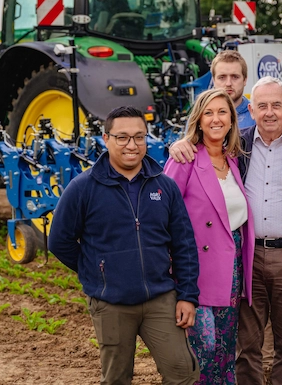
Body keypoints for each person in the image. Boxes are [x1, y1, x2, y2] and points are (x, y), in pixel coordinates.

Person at [171, 76, 282, 384]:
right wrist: (182, 142)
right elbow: (201, 152)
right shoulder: (238, 145)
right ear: (250, 110)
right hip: (245, 258)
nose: (269, 112)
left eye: (276, 105)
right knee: (246, 344)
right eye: (262, 106)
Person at [48, 106, 200, 385]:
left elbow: (184, 244)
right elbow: (59, 241)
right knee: (116, 378)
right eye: (123, 137)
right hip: (111, 302)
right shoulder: (83, 188)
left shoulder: (164, 186)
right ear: (106, 140)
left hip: (160, 299)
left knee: (183, 373)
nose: (132, 145)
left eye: (139, 137)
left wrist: (188, 295)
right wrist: (98, 271)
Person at [164, 88, 255, 384]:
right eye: (209, 113)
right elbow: (163, 214)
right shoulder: (185, 158)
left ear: (231, 120)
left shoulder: (233, 161)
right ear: (199, 121)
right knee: (203, 347)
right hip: (195, 269)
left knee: (226, 350)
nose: (216, 119)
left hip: (231, 265)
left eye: (222, 112)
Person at [210, 51, 255, 128]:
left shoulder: (257, 116)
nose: (228, 83)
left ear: (245, 80)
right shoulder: (200, 116)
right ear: (214, 81)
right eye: (222, 77)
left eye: (235, 77)